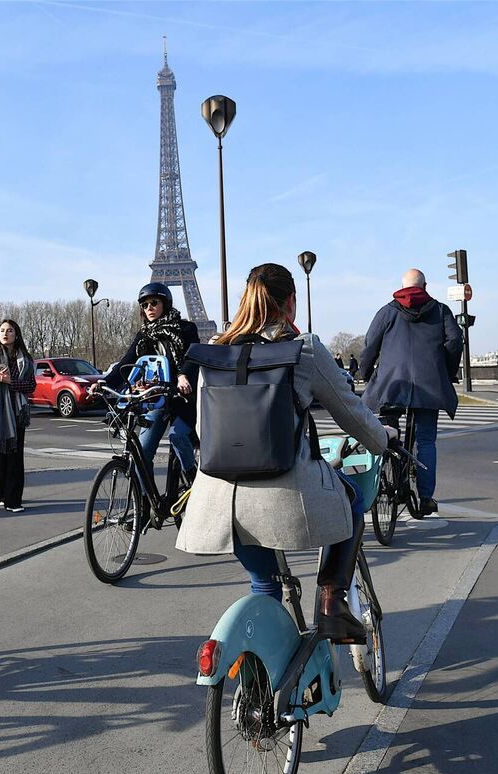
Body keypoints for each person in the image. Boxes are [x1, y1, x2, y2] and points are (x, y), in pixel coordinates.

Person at [176, 263, 394, 643]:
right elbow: (353, 415)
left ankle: (263, 678)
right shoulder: (303, 350)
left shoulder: (214, 354)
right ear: (290, 302)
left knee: (263, 584)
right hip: (284, 496)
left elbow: (200, 430)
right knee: (354, 499)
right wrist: (384, 440)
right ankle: (332, 601)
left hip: (217, 503)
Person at [359, 268, 463, 517]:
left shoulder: (387, 311)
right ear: (425, 286)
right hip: (429, 386)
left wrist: (366, 375)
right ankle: (426, 498)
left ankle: (385, 479)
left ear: (402, 286)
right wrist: (446, 373)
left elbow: (369, 345)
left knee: (385, 434)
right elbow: (454, 341)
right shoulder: (439, 310)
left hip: (391, 385)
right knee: (425, 441)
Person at [94, 282, 199, 480]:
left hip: (181, 397)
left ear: (165, 304)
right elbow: (126, 362)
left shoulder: (186, 329)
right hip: (155, 398)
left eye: (154, 303)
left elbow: (193, 357)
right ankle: (144, 504)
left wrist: (183, 374)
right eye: (145, 305)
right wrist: (104, 383)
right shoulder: (144, 335)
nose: (149, 308)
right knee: (142, 454)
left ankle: (193, 479)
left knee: (178, 436)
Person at [0, 320, 36, 512]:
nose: (5, 333)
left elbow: (31, 386)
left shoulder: (25, 359)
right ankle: (1, 493)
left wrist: (11, 382)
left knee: (15, 457)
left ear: (16, 335)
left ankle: (14, 500)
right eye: (2, 330)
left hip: (17, 412)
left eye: (9, 330)